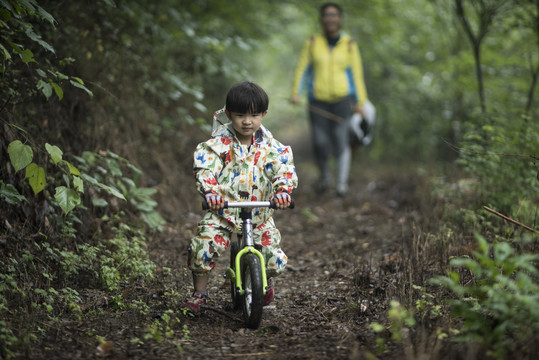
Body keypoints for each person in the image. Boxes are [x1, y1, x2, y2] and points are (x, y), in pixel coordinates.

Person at [183, 81, 299, 315]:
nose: (248, 121)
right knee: (202, 247)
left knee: (273, 259)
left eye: (255, 115)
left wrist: (283, 191)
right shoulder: (219, 144)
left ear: (264, 114)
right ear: (228, 114)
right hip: (223, 210)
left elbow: (282, 168)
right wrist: (211, 192)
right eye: (240, 115)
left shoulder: (270, 147)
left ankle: (263, 282)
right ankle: (200, 294)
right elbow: (206, 169)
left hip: (259, 211)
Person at [290, 2, 368, 196]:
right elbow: (303, 69)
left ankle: (341, 184)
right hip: (317, 100)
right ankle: (325, 177)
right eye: (327, 15)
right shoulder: (312, 42)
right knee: (320, 142)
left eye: (334, 15)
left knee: (341, 140)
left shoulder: (349, 44)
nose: (330, 19)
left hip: (343, 100)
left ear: (339, 19)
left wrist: (360, 102)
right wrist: (296, 93)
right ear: (322, 19)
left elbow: (356, 74)